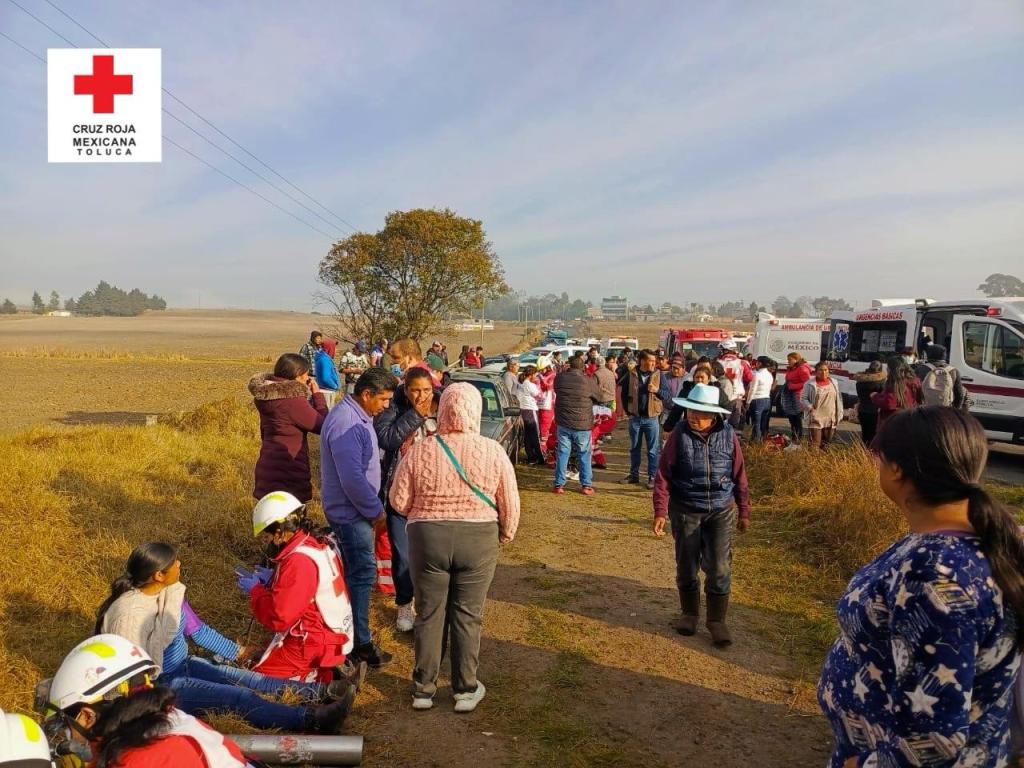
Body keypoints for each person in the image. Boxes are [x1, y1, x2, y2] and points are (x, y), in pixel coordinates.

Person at [818, 407, 1024, 767]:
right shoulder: (971, 542)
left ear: (896, 469)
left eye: (879, 458)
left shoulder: (936, 573)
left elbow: (935, 738)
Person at [96, 544, 353, 731]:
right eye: (174, 563)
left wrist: (238, 653)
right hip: (162, 686)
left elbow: (198, 631)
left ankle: (323, 691)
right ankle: (312, 719)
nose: (180, 565)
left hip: (184, 665)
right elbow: (127, 674)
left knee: (251, 679)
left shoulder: (169, 594)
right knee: (239, 698)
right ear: (158, 575)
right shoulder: (128, 615)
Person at [389, 383, 521, 712]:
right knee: (468, 613)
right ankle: (464, 688)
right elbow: (510, 502)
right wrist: (505, 533)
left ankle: (423, 689)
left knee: (429, 613)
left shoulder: (420, 450)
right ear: (475, 411)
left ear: (442, 408)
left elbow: (398, 500)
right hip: (478, 538)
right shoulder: (493, 451)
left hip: (427, 537)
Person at [40, 634, 268, 768]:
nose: (66, 735)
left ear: (87, 716)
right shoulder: (168, 720)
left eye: (66, 724)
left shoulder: (137, 760)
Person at [652, 384, 751, 647]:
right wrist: (660, 510)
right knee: (687, 564)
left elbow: (739, 474)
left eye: (700, 413)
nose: (693, 417)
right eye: (690, 412)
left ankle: (716, 620)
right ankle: (690, 613)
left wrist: (744, 510)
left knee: (719, 566)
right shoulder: (678, 436)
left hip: (721, 509)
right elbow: (662, 476)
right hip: (685, 509)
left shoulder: (729, 435)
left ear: (714, 415)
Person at [321, 367, 398, 669]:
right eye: (383, 399)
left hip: (354, 510)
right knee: (361, 575)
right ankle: (358, 642)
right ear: (366, 394)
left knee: (357, 574)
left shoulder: (355, 416)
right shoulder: (347, 422)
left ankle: (354, 637)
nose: (386, 406)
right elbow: (352, 478)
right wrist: (374, 511)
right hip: (352, 514)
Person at [244, 491, 360, 686]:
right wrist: (274, 579)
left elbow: (280, 616)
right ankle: (326, 675)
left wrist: (257, 592)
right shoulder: (315, 543)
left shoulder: (298, 561)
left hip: (312, 641)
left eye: (268, 534)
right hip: (334, 633)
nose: (268, 540)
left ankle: (326, 687)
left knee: (257, 681)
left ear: (279, 532)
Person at [376, 367, 439, 633]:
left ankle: (430, 609)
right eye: (415, 390)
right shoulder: (394, 408)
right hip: (398, 496)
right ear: (405, 389)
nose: (421, 396)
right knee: (402, 554)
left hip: (432, 497)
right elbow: (387, 439)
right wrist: (415, 415)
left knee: (430, 556)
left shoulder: (442, 407)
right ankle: (404, 604)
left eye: (426, 390)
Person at [249, 353, 327, 503]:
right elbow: (323, 426)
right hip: (289, 470)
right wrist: (317, 396)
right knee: (291, 523)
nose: (307, 379)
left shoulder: (267, 396)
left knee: (271, 521)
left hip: (268, 466)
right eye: (306, 375)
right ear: (297, 375)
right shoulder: (293, 401)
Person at [553, 354, 603, 494]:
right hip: (583, 423)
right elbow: (599, 397)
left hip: (563, 421)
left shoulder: (560, 378)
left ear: (569, 365)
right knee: (584, 454)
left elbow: (556, 390)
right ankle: (586, 485)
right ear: (583, 367)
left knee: (563, 453)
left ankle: (559, 484)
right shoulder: (588, 381)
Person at [618, 349, 663, 489]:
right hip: (635, 419)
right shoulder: (631, 375)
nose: (653, 364)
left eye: (654, 361)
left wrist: (657, 390)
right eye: (651, 361)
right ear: (642, 361)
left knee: (652, 449)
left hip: (652, 418)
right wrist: (629, 412)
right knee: (634, 448)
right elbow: (624, 395)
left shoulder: (659, 376)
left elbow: (667, 395)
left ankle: (652, 476)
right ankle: (634, 475)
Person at [664, 366, 731, 435]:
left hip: (711, 429)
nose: (699, 380)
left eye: (702, 377)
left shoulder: (716, 392)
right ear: (693, 378)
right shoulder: (687, 390)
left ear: (708, 379)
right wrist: (668, 428)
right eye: (697, 377)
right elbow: (676, 410)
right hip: (689, 428)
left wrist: (716, 418)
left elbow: (727, 406)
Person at [871, 355, 923, 439]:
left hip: (892, 423)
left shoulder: (895, 383)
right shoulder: (915, 381)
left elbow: (889, 403)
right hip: (909, 420)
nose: (886, 369)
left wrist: (875, 397)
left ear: (892, 370)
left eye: (888, 367)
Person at [800, 361, 843, 449]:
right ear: (816, 371)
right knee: (815, 444)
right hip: (816, 417)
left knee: (827, 444)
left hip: (830, 418)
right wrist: (810, 407)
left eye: (826, 370)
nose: (823, 372)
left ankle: (823, 461)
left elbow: (839, 398)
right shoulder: (810, 384)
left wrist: (840, 413)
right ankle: (813, 461)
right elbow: (803, 398)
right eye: (820, 370)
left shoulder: (834, 382)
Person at [914, 343, 968, 410]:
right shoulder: (954, 371)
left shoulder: (920, 369)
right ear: (944, 355)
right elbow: (959, 395)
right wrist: (955, 410)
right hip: (946, 410)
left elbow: (915, 392)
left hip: (925, 410)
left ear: (928, 355)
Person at [717, 340, 753, 428]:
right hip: (737, 397)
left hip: (720, 396)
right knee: (734, 424)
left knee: (720, 422)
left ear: (725, 350)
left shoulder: (717, 363)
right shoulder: (742, 363)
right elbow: (750, 378)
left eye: (721, 350)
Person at [515, 365, 545, 465]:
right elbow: (540, 396)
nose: (536, 376)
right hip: (531, 410)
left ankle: (531, 456)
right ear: (531, 375)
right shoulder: (530, 385)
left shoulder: (522, 384)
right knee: (535, 435)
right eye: (535, 374)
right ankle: (540, 458)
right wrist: (539, 385)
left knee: (527, 435)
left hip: (523, 410)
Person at [781, 352, 813, 441]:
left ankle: (798, 439)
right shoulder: (792, 368)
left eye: (790, 359)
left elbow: (807, 383)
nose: (788, 361)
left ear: (796, 359)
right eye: (788, 359)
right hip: (790, 396)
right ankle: (794, 438)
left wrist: (793, 386)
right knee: (792, 419)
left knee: (796, 419)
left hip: (797, 396)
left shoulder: (802, 369)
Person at [853, 360, 886, 445]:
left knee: (865, 433)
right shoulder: (881, 382)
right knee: (874, 435)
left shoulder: (860, 381)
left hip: (863, 410)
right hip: (876, 411)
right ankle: (871, 455)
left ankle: (864, 453)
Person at [745, 356, 775, 441]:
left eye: (757, 362)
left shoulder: (757, 375)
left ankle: (756, 443)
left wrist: (748, 402)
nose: (756, 364)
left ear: (760, 363)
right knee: (763, 423)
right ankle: (762, 440)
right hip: (767, 400)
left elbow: (752, 389)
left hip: (757, 400)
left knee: (756, 424)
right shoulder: (769, 375)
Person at [313, 338, 341, 408]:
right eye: (334, 348)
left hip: (325, 390)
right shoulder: (325, 359)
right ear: (330, 348)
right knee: (327, 413)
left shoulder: (323, 358)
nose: (336, 350)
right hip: (327, 392)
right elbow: (325, 378)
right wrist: (335, 386)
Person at [658, 357, 687, 421]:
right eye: (674, 368)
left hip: (681, 412)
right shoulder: (665, 376)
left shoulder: (688, 378)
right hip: (667, 410)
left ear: (683, 368)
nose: (675, 370)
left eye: (677, 368)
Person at [536, 361, 557, 446]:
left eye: (542, 370)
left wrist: (540, 378)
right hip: (541, 405)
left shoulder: (552, 375)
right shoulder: (543, 375)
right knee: (543, 427)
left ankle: (545, 449)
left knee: (545, 427)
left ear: (547, 367)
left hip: (548, 406)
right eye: (539, 370)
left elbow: (548, 385)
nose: (541, 372)